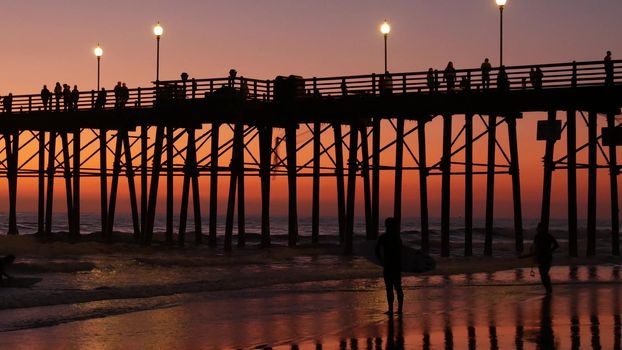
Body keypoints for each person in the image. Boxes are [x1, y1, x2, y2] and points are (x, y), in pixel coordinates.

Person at [375, 217, 404, 315]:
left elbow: (377, 250)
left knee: (389, 288)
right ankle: (399, 309)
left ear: (386, 226)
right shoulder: (397, 238)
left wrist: (381, 261)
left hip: (387, 266)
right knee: (398, 287)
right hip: (396, 266)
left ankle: (391, 310)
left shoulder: (383, 237)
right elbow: (401, 253)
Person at [533, 222, 559, 294]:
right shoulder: (537, 237)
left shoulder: (548, 236)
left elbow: (556, 245)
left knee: (544, 274)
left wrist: (550, 250)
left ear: (544, 229)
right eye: (539, 228)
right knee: (542, 275)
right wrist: (534, 254)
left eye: (541, 228)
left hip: (547, 258)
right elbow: (535, 246)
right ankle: (548, 289)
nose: (540, 229)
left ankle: (549, 289)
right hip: (540, 257)